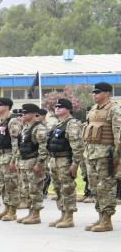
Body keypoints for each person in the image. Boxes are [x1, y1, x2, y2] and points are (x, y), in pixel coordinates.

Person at [82, 82, 121, 232]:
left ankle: (107, 220)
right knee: (95, 187)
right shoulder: (92, 110)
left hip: (106, 155)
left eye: (97, 92)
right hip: (91, 154)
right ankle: (100, 216)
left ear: (106, 93)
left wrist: (117, 157)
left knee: (106, 187)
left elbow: (118, 136)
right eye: (93, 92)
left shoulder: (114, 109)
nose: (94, 95)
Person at [46, 98, 83, 228]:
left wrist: (75, 163)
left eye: (60, 107)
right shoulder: (57, 124)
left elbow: (77, 146)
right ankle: (62, 214)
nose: (57, 108)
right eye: (56, 106)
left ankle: (69, 216)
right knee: (57, 187)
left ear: (68, 109)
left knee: (67, 188)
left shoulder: (71, 124)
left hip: (65, 160)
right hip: (54, 160)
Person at [14, 104, 48, 225]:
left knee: (35, 189)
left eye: (26, 113)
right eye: (23, 113)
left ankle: (36, 214)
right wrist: (18, 160)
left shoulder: (39, 128)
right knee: (26, 189)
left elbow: (43, 147)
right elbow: (21, 145)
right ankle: (30, 212)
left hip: (33, 161)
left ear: (34, 113)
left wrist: (39, 163)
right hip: (24, 162)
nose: (23, 115)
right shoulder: (25, 127)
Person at [0, 98, 22, 221]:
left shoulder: (12, 121)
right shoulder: (1, 122)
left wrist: (14, 160)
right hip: (0, 157)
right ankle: (6, 208)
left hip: (9, 156)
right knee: (3, 184)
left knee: (11, 184)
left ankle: (13, 211)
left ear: (7, 107)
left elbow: (15, 142)